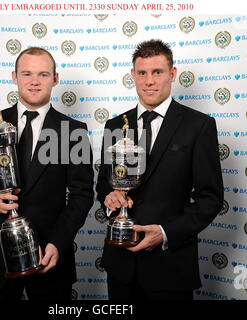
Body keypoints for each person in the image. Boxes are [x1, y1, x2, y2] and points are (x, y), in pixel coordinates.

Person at [0, 47, 94, 300]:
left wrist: (57, 243)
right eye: (27, 73)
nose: (34, 81)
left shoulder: (74, 130)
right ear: (14, 76)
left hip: (49, 254)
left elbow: (82, 195)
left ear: (55, 79)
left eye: (43, 74)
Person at [96, 39, 224, 300]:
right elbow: (104, 184)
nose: (149, 81)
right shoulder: (114, 125)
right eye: (142, 73)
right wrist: (110, 200)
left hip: (171, 267)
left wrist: (165, 233)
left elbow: (210, 199)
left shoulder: (199, 126)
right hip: (121, 265)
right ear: (133, 75)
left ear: (172, 74)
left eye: (158, 72)